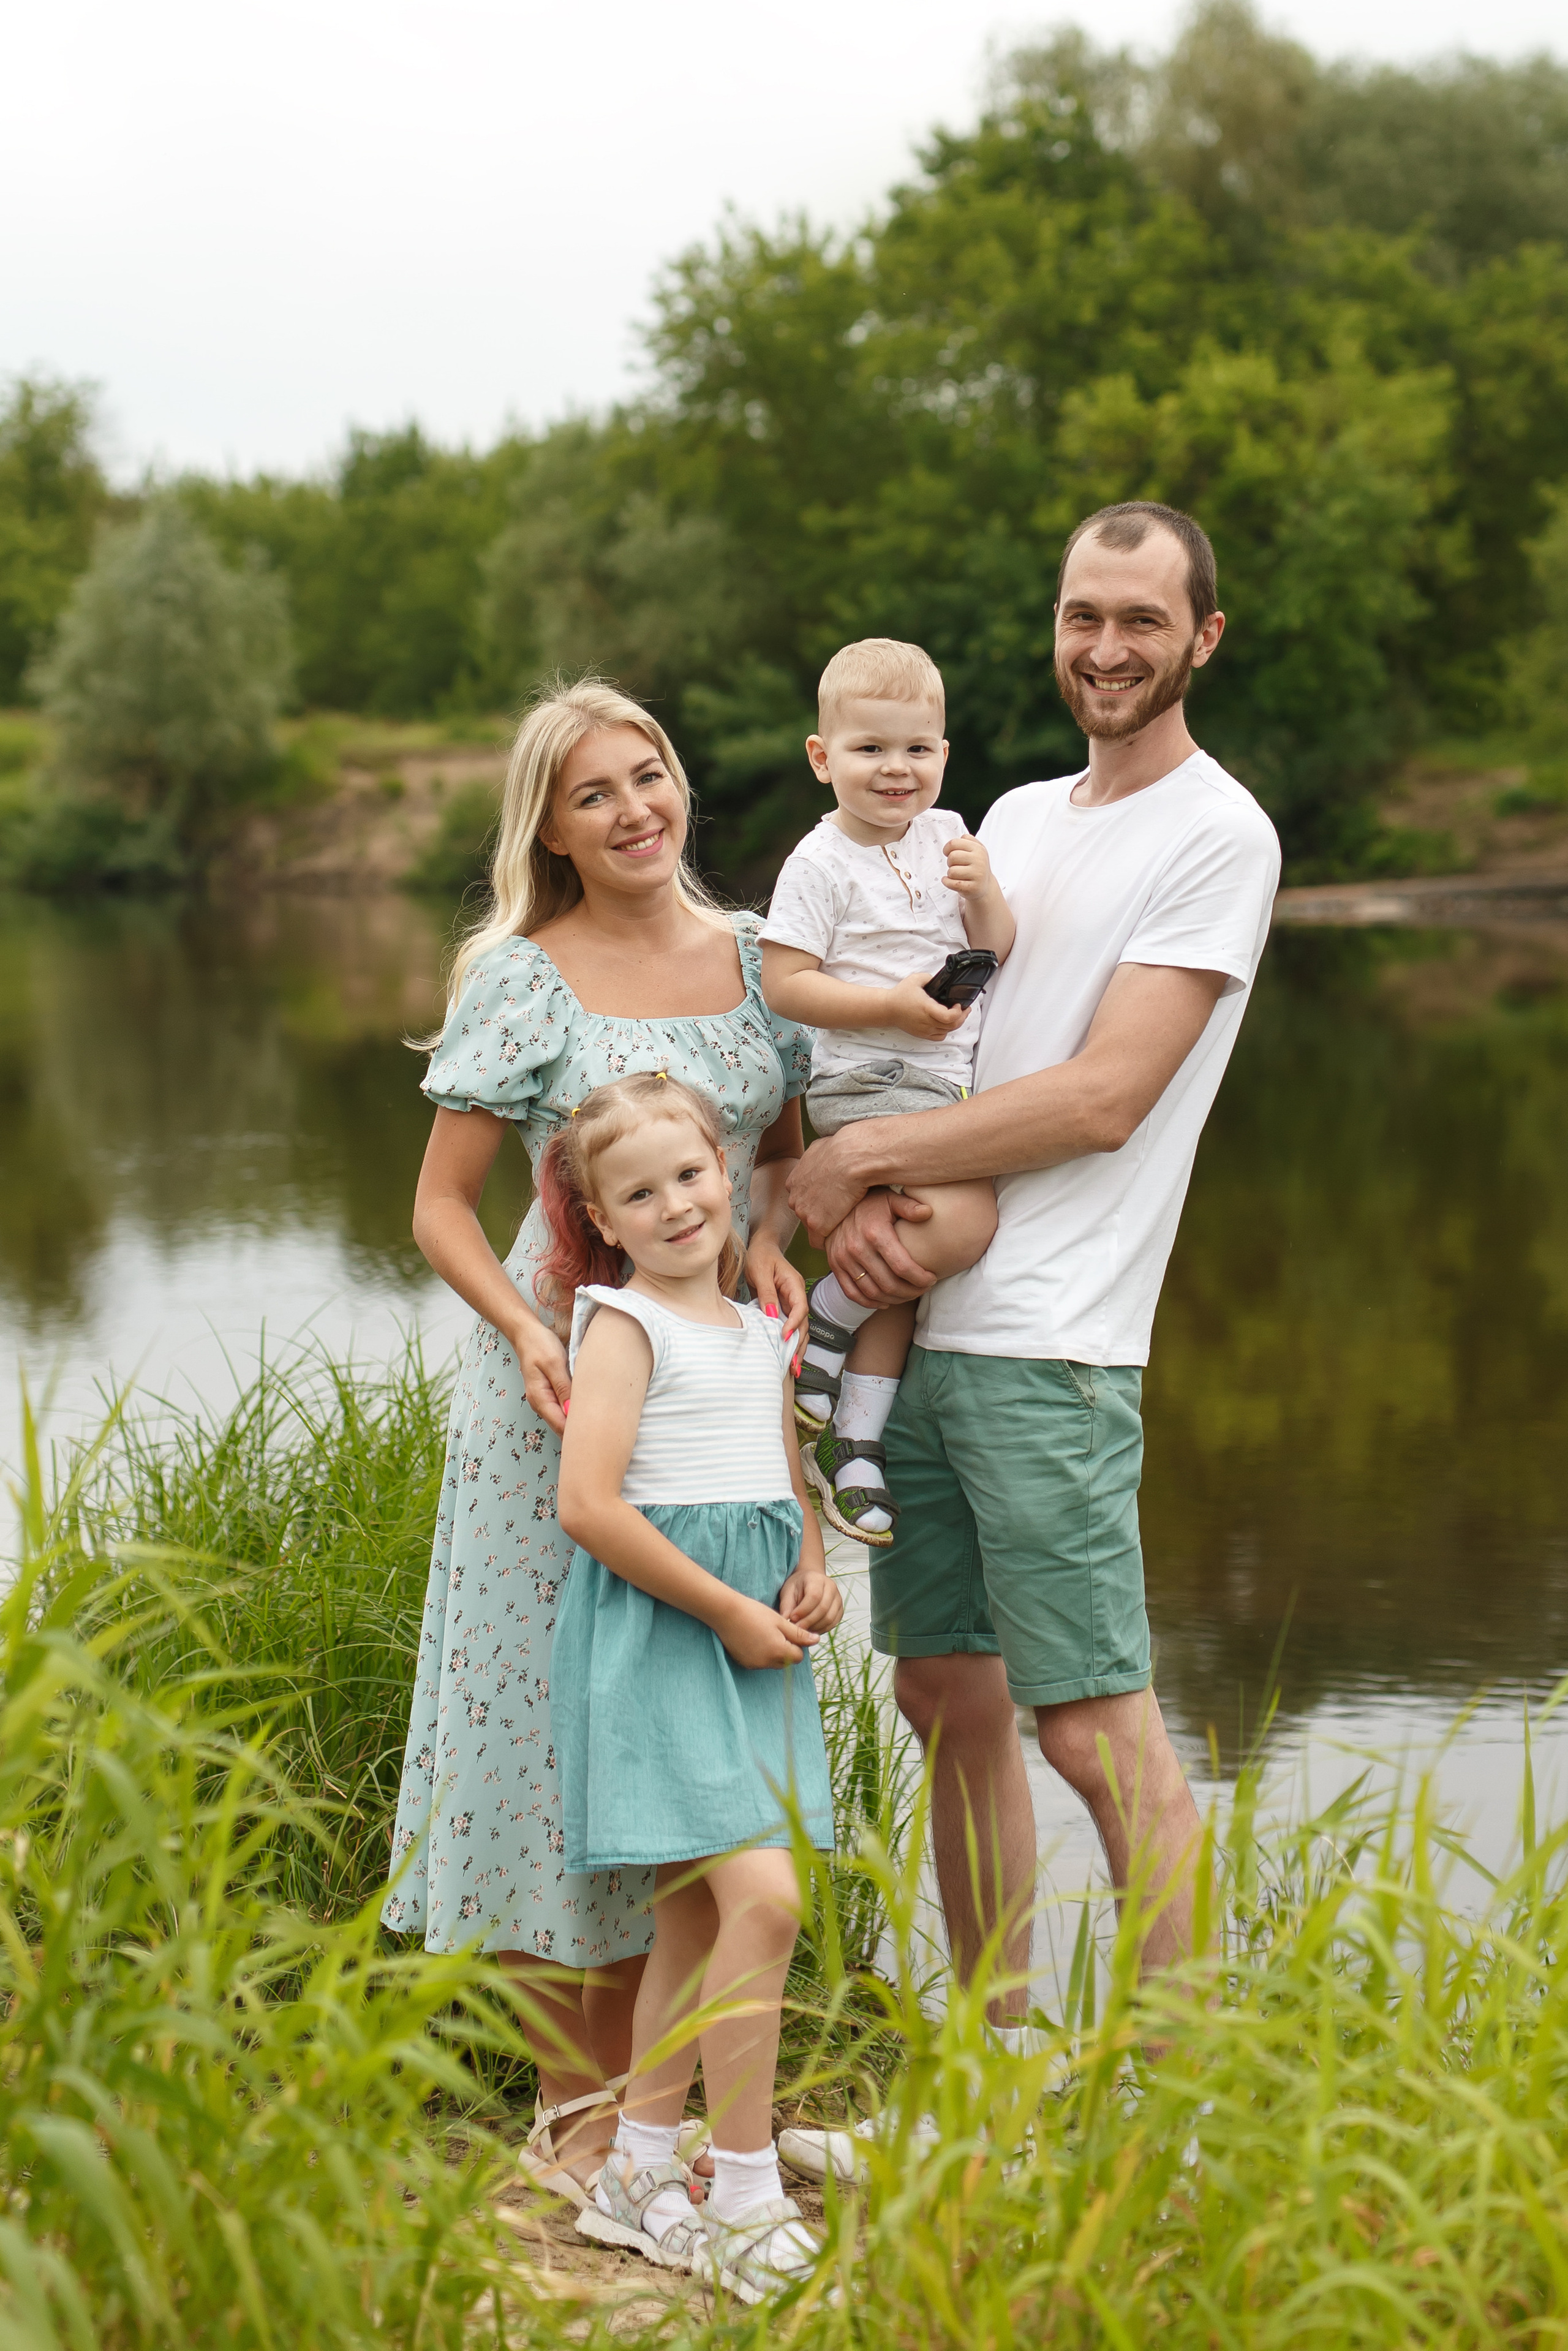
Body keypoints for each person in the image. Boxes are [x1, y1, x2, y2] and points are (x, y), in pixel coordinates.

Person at [784, 501, 1281, 2053]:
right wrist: (860, 1199)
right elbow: (947, 1042)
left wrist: (858, 1174)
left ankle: (1174, 2087)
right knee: (948, 1697)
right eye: (1083, 615)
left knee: (1088, 1719)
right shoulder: (997, 819)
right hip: (925, 1313)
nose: (1106, 647)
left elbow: (1101, 1096)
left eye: (1141, 619)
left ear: (1200, 637)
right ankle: (995, 2056)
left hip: (1055, 1335)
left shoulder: (1218, 831)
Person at [381, 682, 813, 2203]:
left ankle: (664, 2111)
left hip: (721, 1405)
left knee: (697, 1728)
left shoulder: (764, 960)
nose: (635, 811)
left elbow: (781, 1167)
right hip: (563, 1406)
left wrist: (775, 1242)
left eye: (652, 777)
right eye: (592, 795)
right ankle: (576, 2118)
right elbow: (439, 1206)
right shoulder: (524, 975)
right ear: (548, 830)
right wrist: (522, 1323)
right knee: (549, 1746)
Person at [543, 1070, 840, 2300]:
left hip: (752, 1627)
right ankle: (745, 2180)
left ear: (726, 1171)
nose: (674, 1204)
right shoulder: (623, 1324)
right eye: (639, 1191)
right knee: (764, 1896)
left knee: (698, 1912)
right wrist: (721, 1605)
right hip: (667, 1633)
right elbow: (586, 1502)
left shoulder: (756, 1320)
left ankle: (636, 2170)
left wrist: (811, 1558)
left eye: (690, 1173)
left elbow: (778, 1455)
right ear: (602, 1218)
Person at [760, 638, 1016, 1544]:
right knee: (961, 1225)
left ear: (944, 755)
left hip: (942, 1079)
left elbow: (1001, 945)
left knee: (899, 1274)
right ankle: (824, 1320)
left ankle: (855, 1444)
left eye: (917, 748)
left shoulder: (952, 837)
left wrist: (985, 897)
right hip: (867, 1078)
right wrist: (890, 1010)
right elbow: (784, 982)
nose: (896, 769)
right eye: (869, 749)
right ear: (824, 759)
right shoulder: (820, 862)